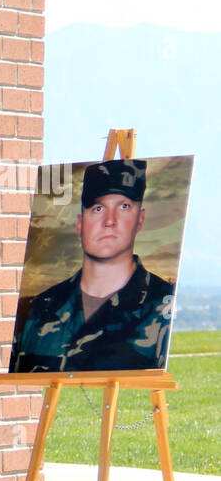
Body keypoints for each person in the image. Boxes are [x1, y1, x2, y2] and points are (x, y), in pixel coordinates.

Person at [11, 159, 174, 373]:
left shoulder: (161, 307)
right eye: (98, 208)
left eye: (124, 207)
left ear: (140, 219)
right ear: (80, 223)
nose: (109, 220)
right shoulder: (38, 310)